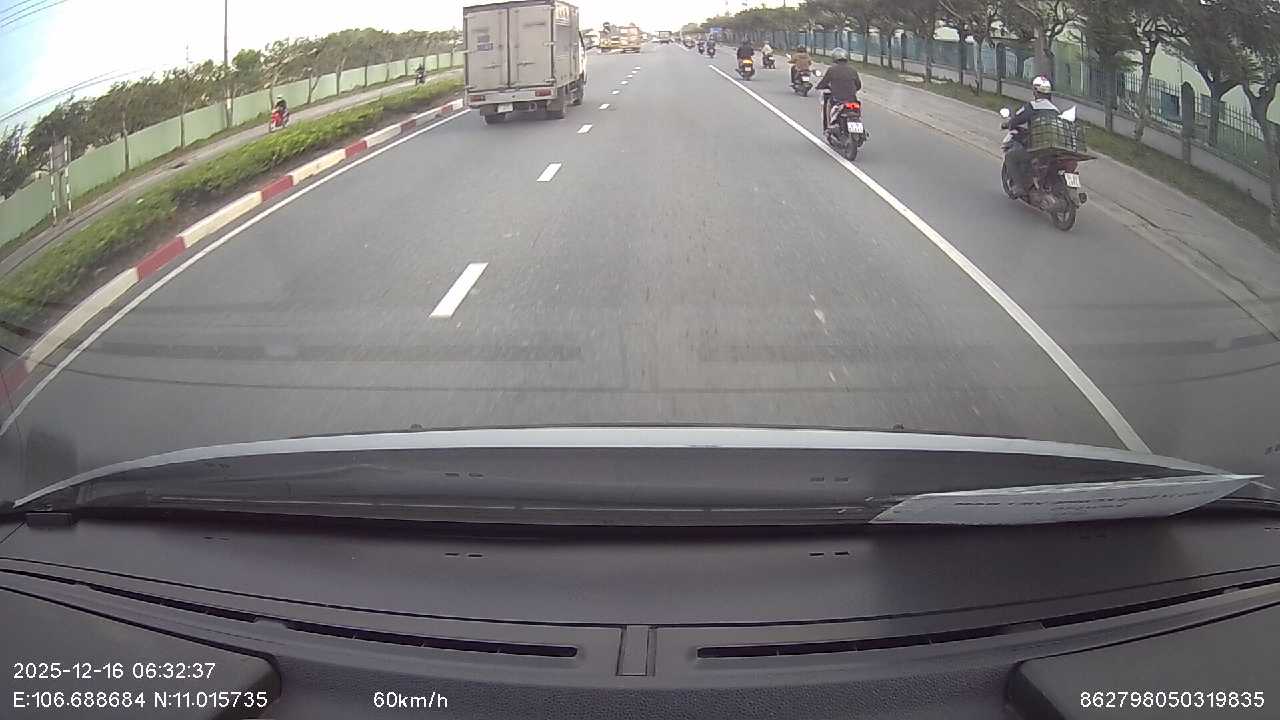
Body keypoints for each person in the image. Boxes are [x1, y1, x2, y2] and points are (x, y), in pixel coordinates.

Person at [1001, 76, 1059, 197]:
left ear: (1035, 91)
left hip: (1037, 147)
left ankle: (1019, 186)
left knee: (1010, 157)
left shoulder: (1032, 106)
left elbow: (1017, 119)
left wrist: (1008, 124)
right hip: (1053, 148)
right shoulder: (1055, 110)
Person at [814, 48, 861, 130]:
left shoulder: (832, 69)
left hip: (837, 99)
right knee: (857, 110)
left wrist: (818, 86)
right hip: (852, 99)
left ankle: (828, 127)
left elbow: (824, 82)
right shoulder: (853, 70)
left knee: (827, 106)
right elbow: (858, 85)